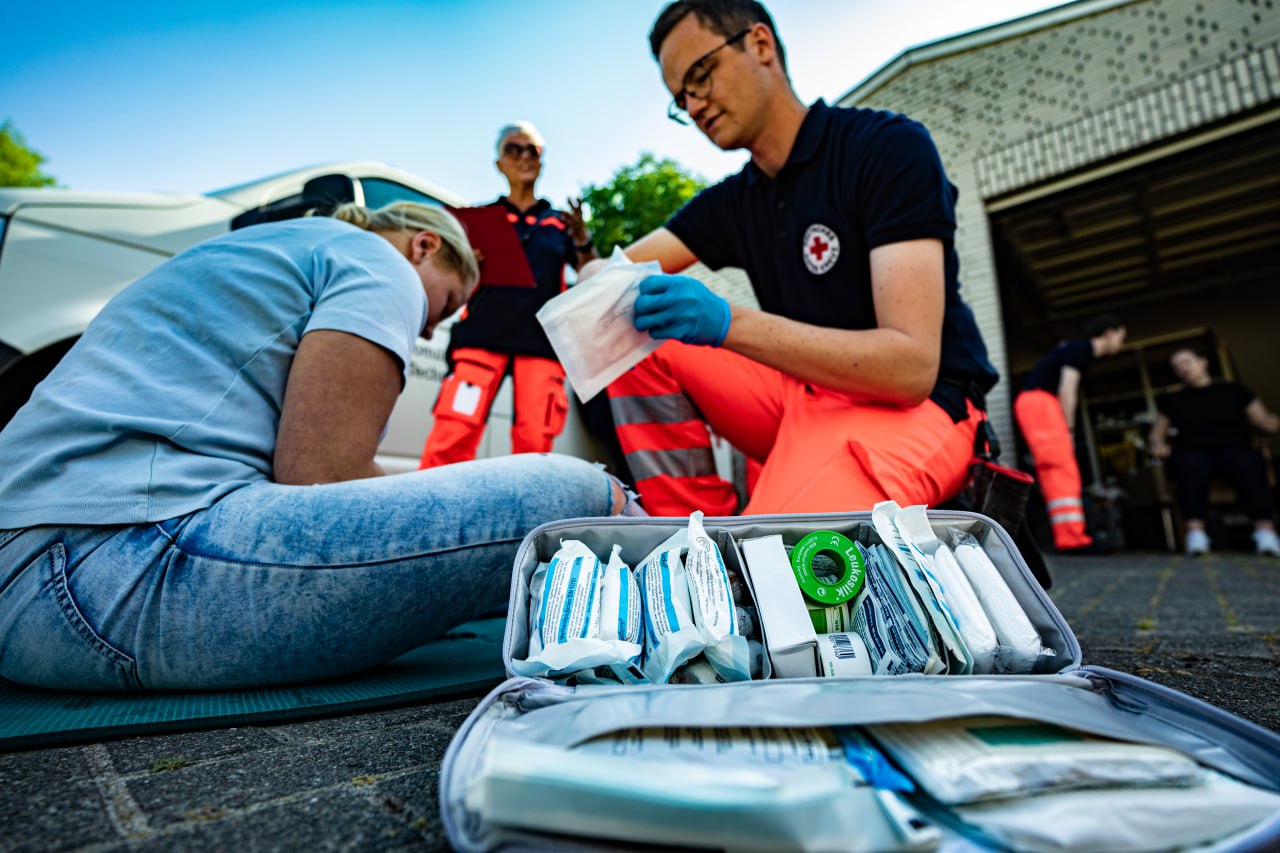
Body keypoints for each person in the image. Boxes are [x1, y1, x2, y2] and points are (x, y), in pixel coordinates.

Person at [0, 202, 628, 692]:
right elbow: (322, 476)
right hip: (108, 567)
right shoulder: (379, 262)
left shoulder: (260, 249)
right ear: (424, 246)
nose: (431, 327)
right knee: (579, 494)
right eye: (445, 302)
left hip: (37, 568)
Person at [590, 0, 998, 517]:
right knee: (639, 326)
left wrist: (727, 321)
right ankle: (691, 537)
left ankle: (744, 550)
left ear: (760, 45)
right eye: (679, 98)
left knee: (772, 556)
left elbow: (910, 368)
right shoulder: (735, 200)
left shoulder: (886, 148)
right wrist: (590, 278)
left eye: (700, 75)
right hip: (802, 393)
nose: (693, 106)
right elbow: (618, 272)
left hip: (919, 402)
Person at [419, 121, 598, 468]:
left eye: (533, 150)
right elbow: (454, 279)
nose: (524, 156)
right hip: (482, 338)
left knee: (534, 449)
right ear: (499, 163)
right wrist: (468, 261)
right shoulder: (478, 221)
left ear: (542, 161)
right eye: (513, 149)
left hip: (541, 344)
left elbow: (591, 276)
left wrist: (582, 238)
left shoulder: (560, 224)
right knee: (451, 438)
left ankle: (526, 522)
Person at [1149, 347, 1280, 557]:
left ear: (1203, 361)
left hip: (1235, 449)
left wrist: (1270, 424)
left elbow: (1263, 419)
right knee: (1188, 465)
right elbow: (1157, 433)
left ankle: (1265, 533)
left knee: (1249, 462)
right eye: (1177, 366)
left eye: (1186, 362)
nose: (1183, 368)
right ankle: (1196, 535)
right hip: (1193, 452)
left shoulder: (1235, 390)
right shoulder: (1172, 400)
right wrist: (1157, 444)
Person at [1013, 314, 1126, 553]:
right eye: (1121, 336)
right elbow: (1068, 391)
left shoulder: (1075, 349)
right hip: (1041, 403)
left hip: (1034, 403)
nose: (1121, 343)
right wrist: (1070, 430)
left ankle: (1068, 536)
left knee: (1054, 471)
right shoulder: (1081, 350)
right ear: (1109, 332)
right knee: (1062, 470)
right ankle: (1072, 538)